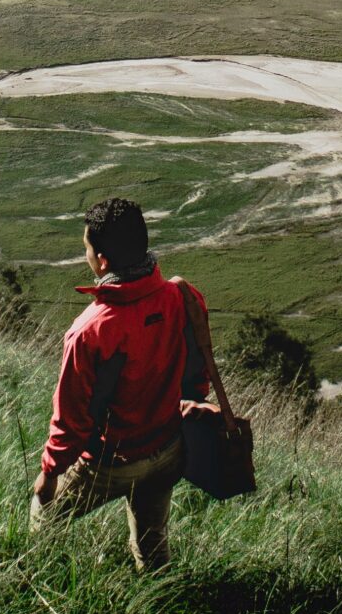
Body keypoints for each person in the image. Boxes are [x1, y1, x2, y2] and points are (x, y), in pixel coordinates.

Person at [30, 195, 211, 571]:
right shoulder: (182, 297)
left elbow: (71, 420)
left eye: (87, 248)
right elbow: (199, 369)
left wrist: (49, 474)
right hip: (167, 449)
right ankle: (159, 598)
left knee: (43, 519)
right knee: (152, 543)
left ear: (102, 261)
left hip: (110, 462)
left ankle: (32, 577)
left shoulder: (91, 331)